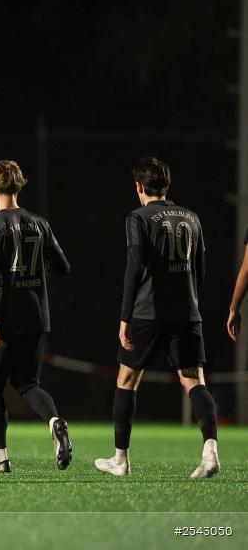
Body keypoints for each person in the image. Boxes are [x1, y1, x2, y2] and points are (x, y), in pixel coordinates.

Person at [96, 157, 219, 479]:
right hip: (187, 314)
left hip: (148, 313)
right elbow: (202, 269)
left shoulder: (138, 217)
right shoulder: (191, 217)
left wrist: (125, 316)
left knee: (127, 381)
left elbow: (134, 266)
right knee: (194, 381)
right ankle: (210, 453)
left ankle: (120, 460)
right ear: (167, 185)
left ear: (139, 186)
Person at [0, 160, 72, 474]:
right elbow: (62, 267)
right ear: (19, 187)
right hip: (36, 317)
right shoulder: (39, 223)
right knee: (29, 384)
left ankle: (0, 459)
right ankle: (55, 421)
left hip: (7, 319)